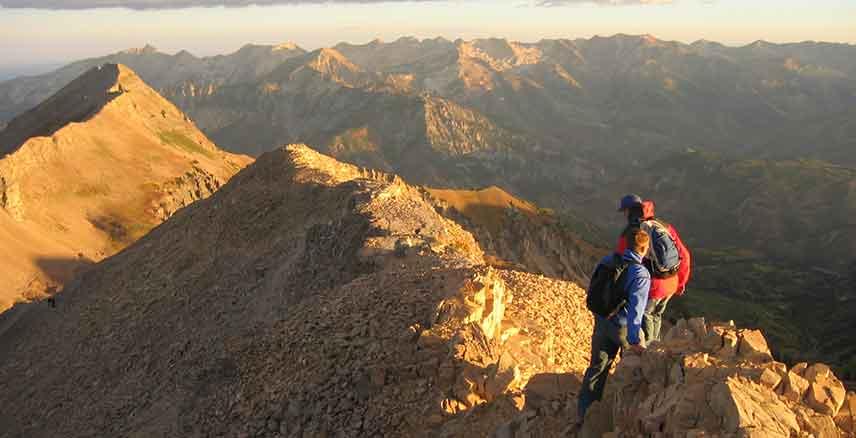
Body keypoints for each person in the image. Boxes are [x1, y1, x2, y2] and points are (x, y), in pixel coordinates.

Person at [577, 228, 651, 420]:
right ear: (644, 248)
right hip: (624, 327)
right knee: (634, 373)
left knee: (597, 368)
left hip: (602, 321)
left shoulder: (607, 261)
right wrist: (635, 340)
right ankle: (624, 419)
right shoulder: (640, 273)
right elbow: (637, 310)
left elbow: (594, 287)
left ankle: (584, 414)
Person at [616, 195, 692, 343]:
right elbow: (685, 255)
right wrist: (681, 283)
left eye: (624, 211)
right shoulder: (662, 226)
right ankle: (656, 345)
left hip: (652, 287)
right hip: (671, 282)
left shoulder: (631, 234)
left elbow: (621, 263)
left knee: (645, 317)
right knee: (656, 315)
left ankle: (650, 352)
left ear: (628, 211)